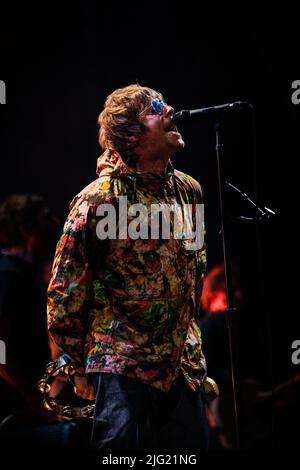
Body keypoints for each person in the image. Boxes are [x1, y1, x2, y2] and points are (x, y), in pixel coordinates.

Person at [47, 84, 209, 451]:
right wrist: (78, 362)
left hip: (181, 367)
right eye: (155, 107)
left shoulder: (190, 191)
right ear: (131, 136)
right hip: (123, 365)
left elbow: (196, 268)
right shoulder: (99, 199)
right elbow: (65, 290)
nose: (170, 109)